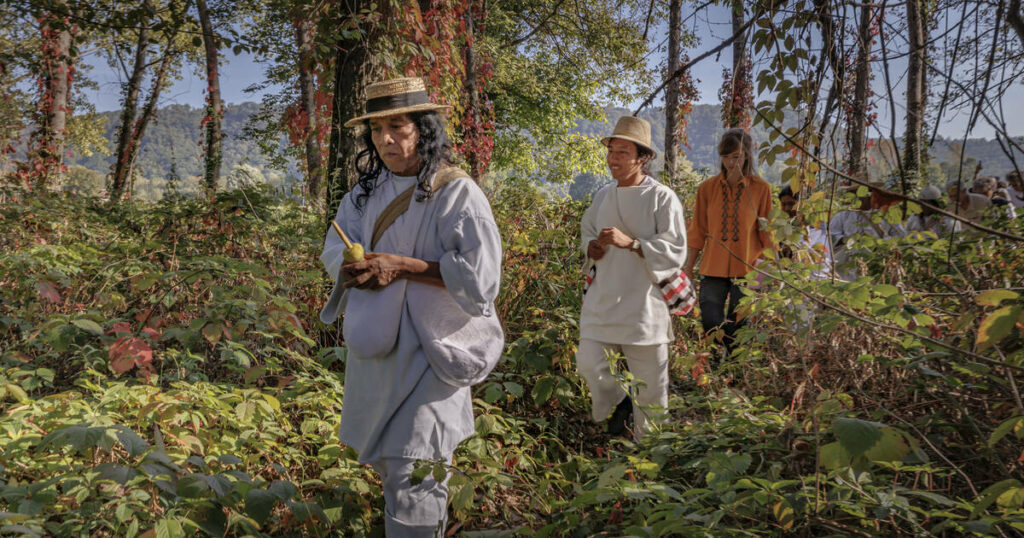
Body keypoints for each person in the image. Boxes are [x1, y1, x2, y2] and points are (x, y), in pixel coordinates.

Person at [319, 76, 503, 537]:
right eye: (377, 130)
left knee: (416, 471)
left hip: (431, 353)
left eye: (397, 126)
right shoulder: (363, 194)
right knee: (392, 470)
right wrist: (349, 267)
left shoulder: (457, 193)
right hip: (377, 357)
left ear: (422, 128)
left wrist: (404, 266)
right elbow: (332, 248)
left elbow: (483, 279)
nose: (386, 139)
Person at [577, 116, 687, 438]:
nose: (613, 159)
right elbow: (586, 232)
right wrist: (591, 248)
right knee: (589, 364)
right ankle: (621, 400)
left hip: (644, 307)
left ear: (643, 158)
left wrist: (635, 244)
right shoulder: (602, 196)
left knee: (652, 391)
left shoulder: (662, 198)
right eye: (612, 151)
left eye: (623, 152)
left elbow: (676, 249)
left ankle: (649, 458)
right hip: (603, 300)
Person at [685, 128, 773, 359]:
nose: (731, 162)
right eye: (726, 157)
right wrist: (687, 271)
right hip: (713, 268)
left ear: (747, 155)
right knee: (711, 322)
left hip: (747, 270)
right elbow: (697, 232)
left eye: (736, 156)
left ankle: (733, 376)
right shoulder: (707, 189)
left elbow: (767, 233)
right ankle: (716, 369)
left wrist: (778, 268)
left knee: (739, 327)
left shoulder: (761, 189)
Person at [777, 185, 832, 279]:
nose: (786, 209)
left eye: (791, 204)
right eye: (783, 204)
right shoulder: (783, 227)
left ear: (802, 205)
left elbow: (821, 263)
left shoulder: (817, 229)